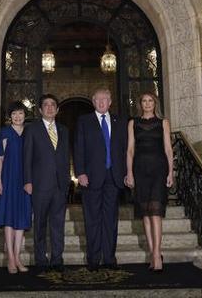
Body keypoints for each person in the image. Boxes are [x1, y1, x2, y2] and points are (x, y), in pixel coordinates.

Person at [74, 88, 128, 271]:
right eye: (98, 99)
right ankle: (93, 259)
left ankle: (109, 258)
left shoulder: (120, 121)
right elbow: (79, 148)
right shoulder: (84, 121)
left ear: (110, 102)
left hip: (114, 177)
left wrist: (127, 173)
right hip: (91, 178)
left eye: (105, 99)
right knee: (92, 219)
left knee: (110, 220)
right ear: (93, 102)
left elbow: (125, 150)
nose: (102, 102)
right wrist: (80, 172)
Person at [124, 92, 174, 272]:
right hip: (140, 169)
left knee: (156, 212)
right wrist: (129, 173)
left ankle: (156, 254)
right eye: (144, 101)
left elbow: (168, 149)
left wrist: (171, 172)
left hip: (159, 169)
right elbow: (130, 150)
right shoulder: (133, 123)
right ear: (140, 104)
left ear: (155, 103)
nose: (147, 103)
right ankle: (153, 253)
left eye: (150, 101)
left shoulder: (163, 122)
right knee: (145, 212)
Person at [23, 94, 70, 272]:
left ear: (57, 110)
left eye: (53, 105)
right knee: (40, 224)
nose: (50, 108)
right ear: (40, 110)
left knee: (58, 224)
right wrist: (27, 181)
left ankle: (57, 259)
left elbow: (65, 157)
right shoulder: (32, 129)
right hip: (39, 184)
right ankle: (41, 259)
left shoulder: (64, 130)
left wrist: (66, 181)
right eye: (46, 105)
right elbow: (26, 157)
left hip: (60, 186)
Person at [0, 101, 32, 274]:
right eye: (14, 114)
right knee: (9, 219)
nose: (17, 117)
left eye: (21, 113)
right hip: (8, 179)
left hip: (25, 180)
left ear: (25, 115)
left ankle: (17, 257)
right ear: (10, 117)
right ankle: (10, 258)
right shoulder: (5, 132)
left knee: (21, 219)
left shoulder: (29, 133)